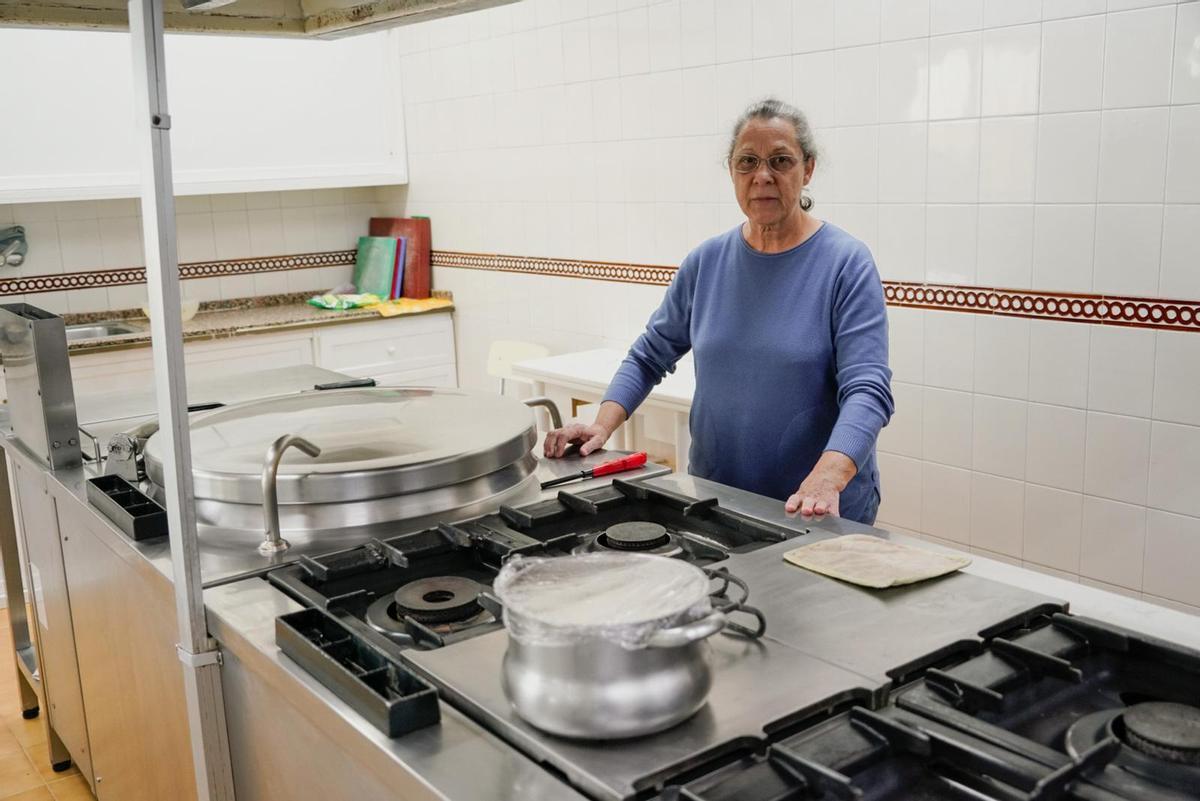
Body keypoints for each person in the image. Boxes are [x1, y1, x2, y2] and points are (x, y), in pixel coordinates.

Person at [543, 98, 894, 524]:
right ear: (731, 170)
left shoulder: (846, 264)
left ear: (808, 169)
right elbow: (648, 355)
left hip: (815, 508)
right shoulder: (706, 262)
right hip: (717, 500)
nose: (763, 175)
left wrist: (828, 476)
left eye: (780, 160)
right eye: (748, 161)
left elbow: (868, 390)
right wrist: (602, 424)